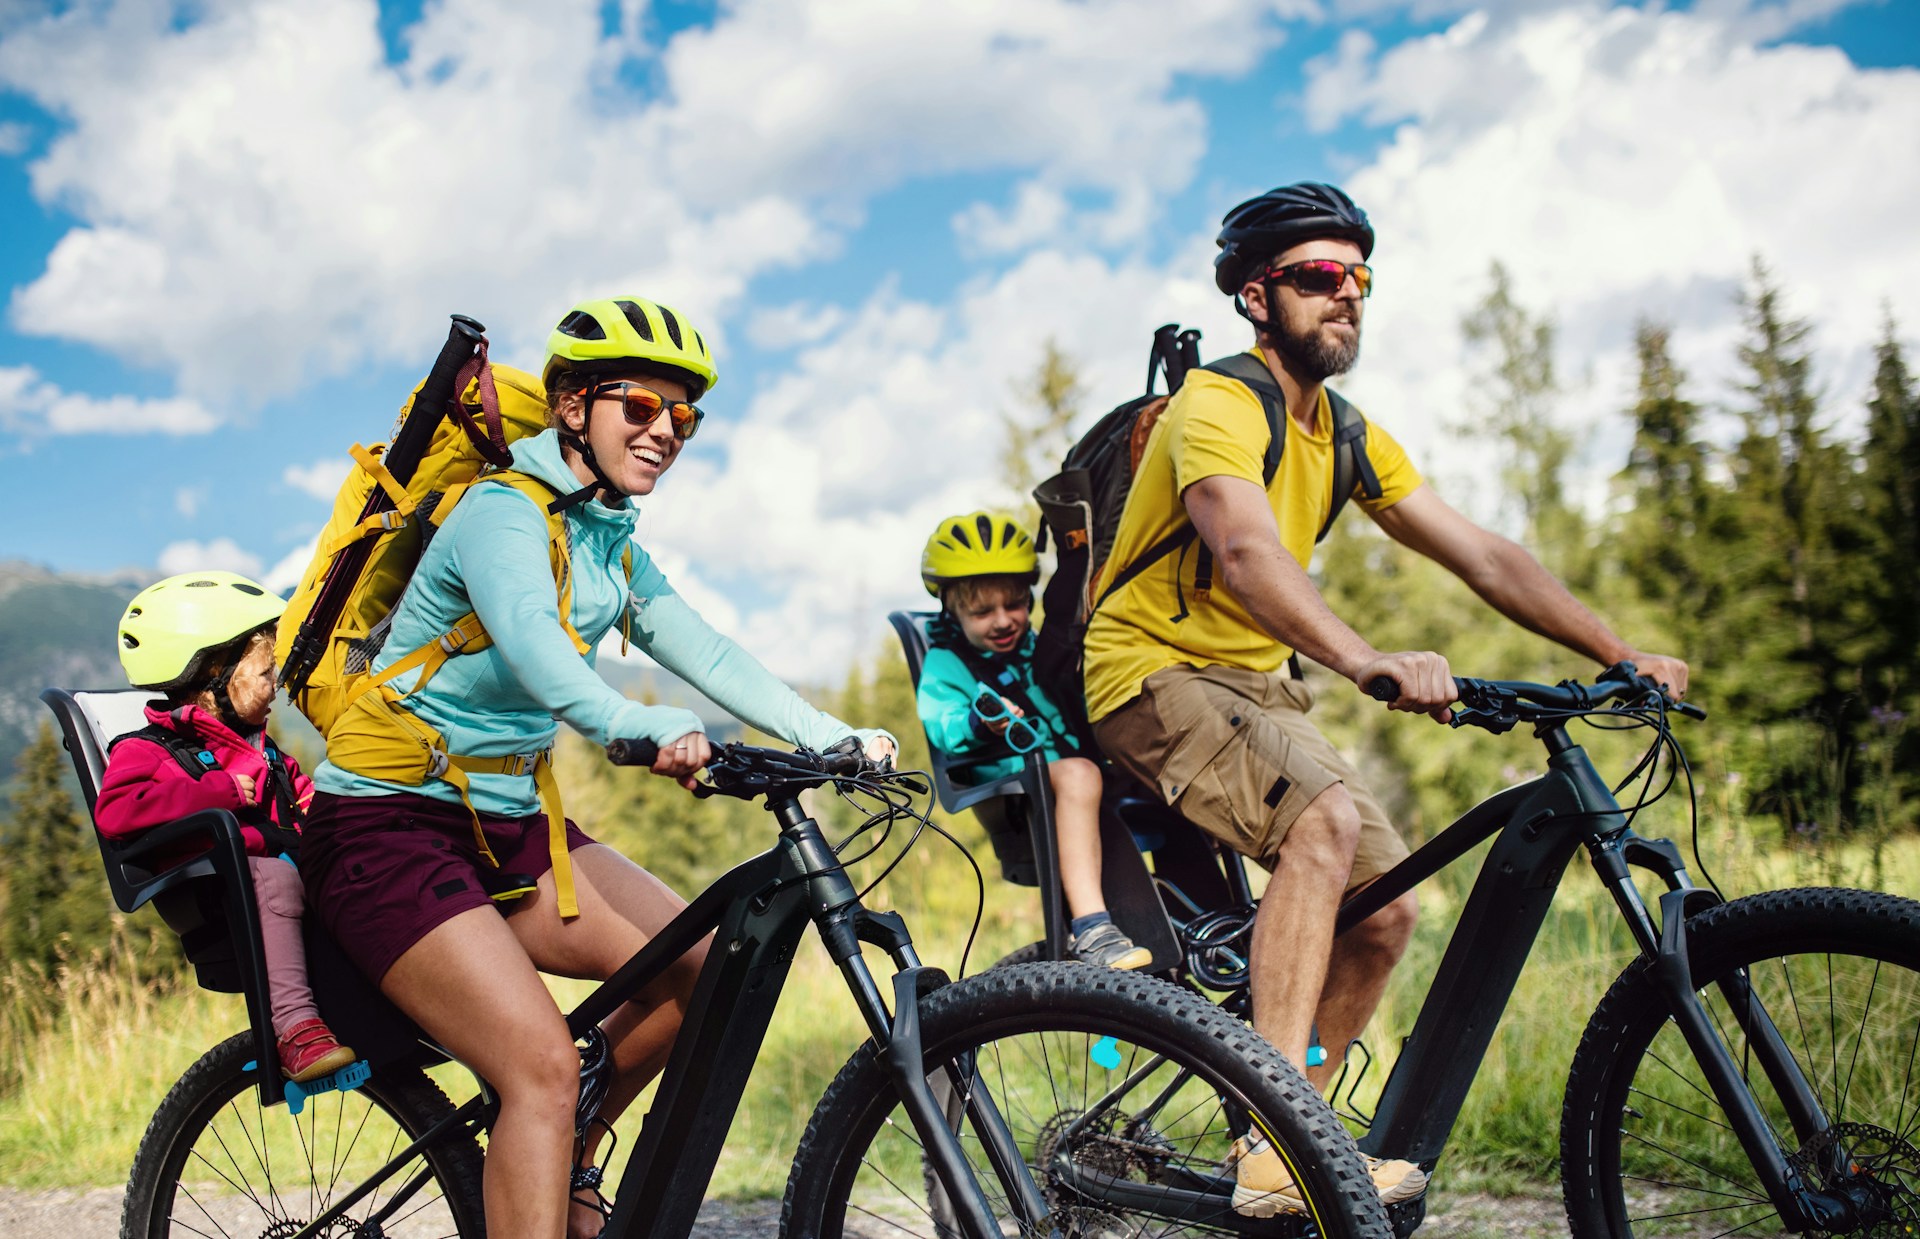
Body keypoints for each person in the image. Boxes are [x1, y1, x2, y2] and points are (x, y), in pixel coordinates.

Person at [1082, 182, 1691, 1217]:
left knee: (1385, 909)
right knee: (1321, 824)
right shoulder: (1220, 406)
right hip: (1150, 671)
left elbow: (1483, 555)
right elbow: (1241, 549)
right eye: (1321, 278)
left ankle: (1287, 1145)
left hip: (1257, 689)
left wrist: (1618, 648)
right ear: (1256, 298)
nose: (1348, 296)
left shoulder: (1348, 433)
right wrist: (1365, 656)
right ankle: (1281, 1151)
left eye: (1359, 278)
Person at [300, 295, 893, 1239]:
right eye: (642, 408)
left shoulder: (606, 533)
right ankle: (543, 1123)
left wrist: (833, 734)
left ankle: (562, 1146)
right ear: (572, 406)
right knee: (538, 1063)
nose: (666, 432)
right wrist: (637, 724)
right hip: (385, 828)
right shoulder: (502, 514)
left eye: (684, 417)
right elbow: (539, 652)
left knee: (702, 968)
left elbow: (704, 647)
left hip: (506, 826)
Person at [98, 571, 356, 1083]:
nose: (275, 686)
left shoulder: (263, 751)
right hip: (218, 889)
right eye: (265, 673)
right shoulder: (145, 751)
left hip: (279, 870)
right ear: (216, 673)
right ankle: (295, 1028)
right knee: (276, 877)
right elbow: (116, 813)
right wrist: (213, 792)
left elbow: (304, 800)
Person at [916, 511, 1150, 969]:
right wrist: (981, 722)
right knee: (1081, 773)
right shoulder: (946, 664)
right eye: (983, 612)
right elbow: (943, 724)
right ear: (952, 610)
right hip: (1014, 787)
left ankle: (1201, 913)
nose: (1003, 621)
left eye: (1015, 605)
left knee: (1152, 761)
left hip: (1064, 773)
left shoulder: (1036, 649)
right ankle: (1092, 928)